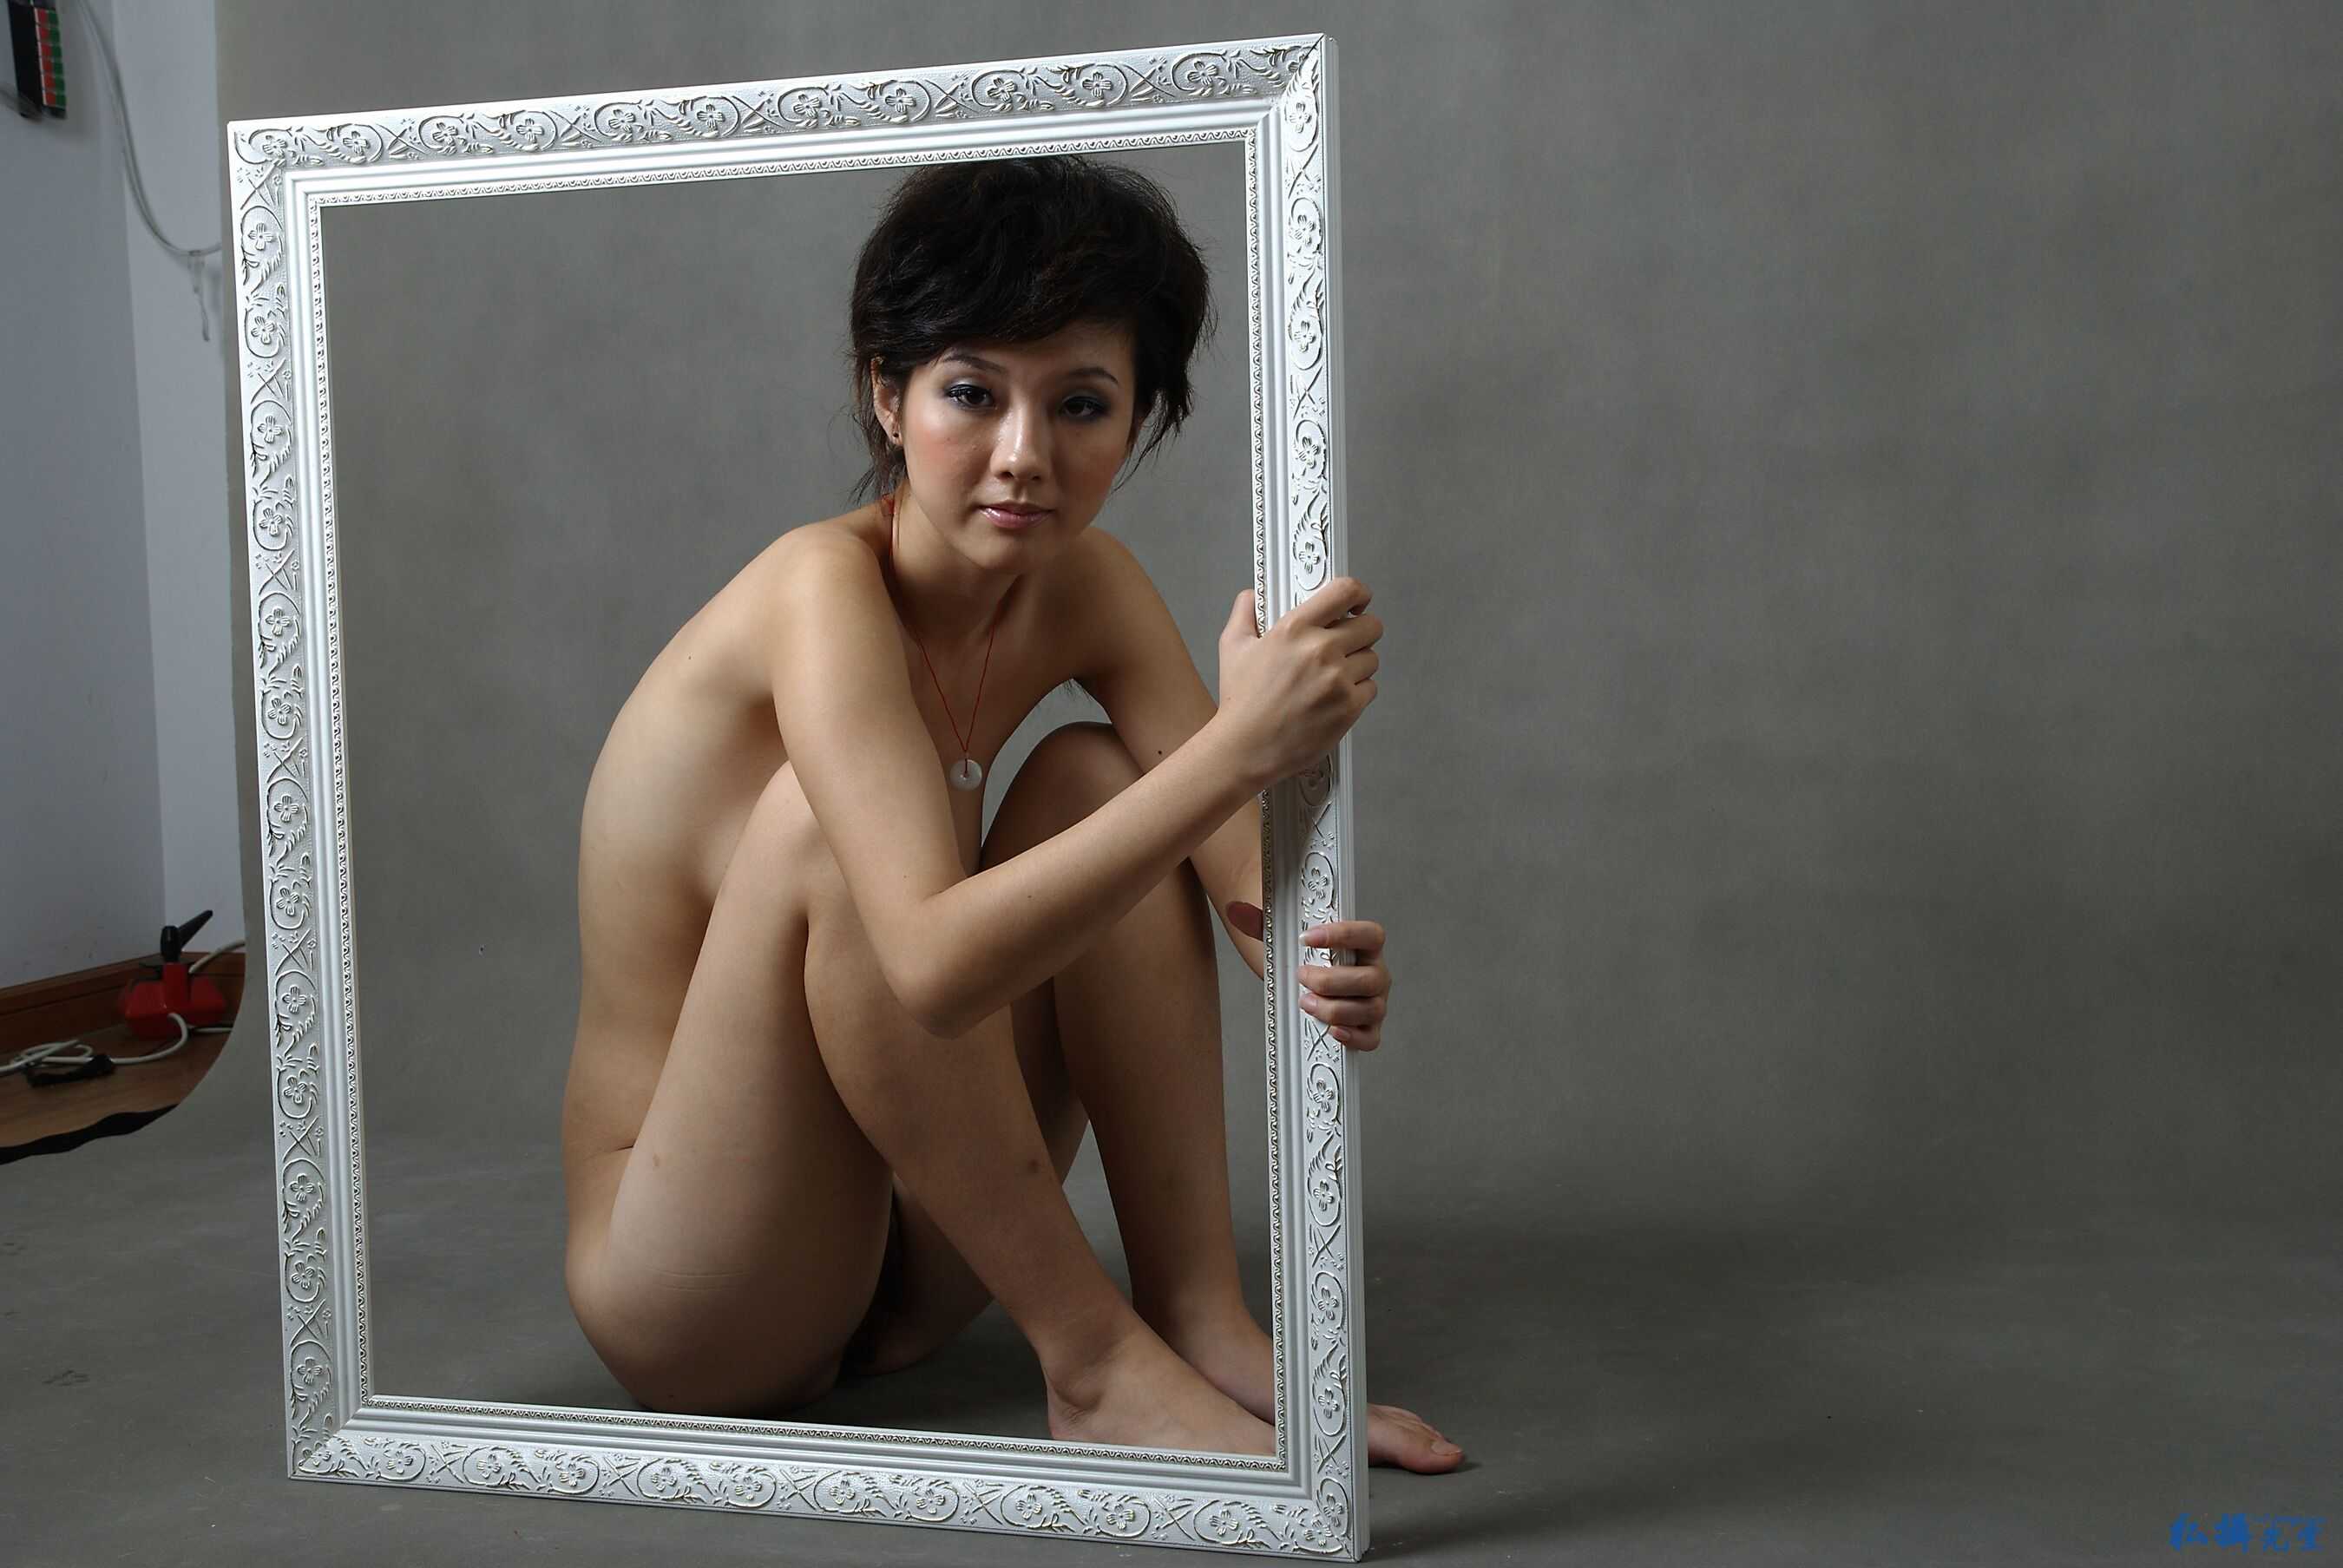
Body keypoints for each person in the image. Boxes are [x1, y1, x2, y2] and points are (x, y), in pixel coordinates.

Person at [556, 154, 1460, 1471]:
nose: (1024, 457)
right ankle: (1095, 1367)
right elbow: (928, 962)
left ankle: (1202, 1324)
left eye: (1081, 404)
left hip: (916, 1242)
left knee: (1097, 776)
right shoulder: (818, 590)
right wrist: (1240, 746)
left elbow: (1236, 881)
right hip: (698, 1277)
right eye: (971, 394)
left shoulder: (1088, 588)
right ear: (887, 394)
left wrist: (1316, 956)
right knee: (824, 830)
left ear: (1139, 421)